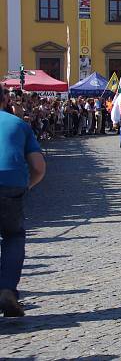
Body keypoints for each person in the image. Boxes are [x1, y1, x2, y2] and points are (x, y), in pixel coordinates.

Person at [0, 89, 47, 317]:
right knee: (13, 236)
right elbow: (38, 167)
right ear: (5, 100)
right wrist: (27, 185)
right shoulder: (18, 125)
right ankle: (7, 288)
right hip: (11, 186)